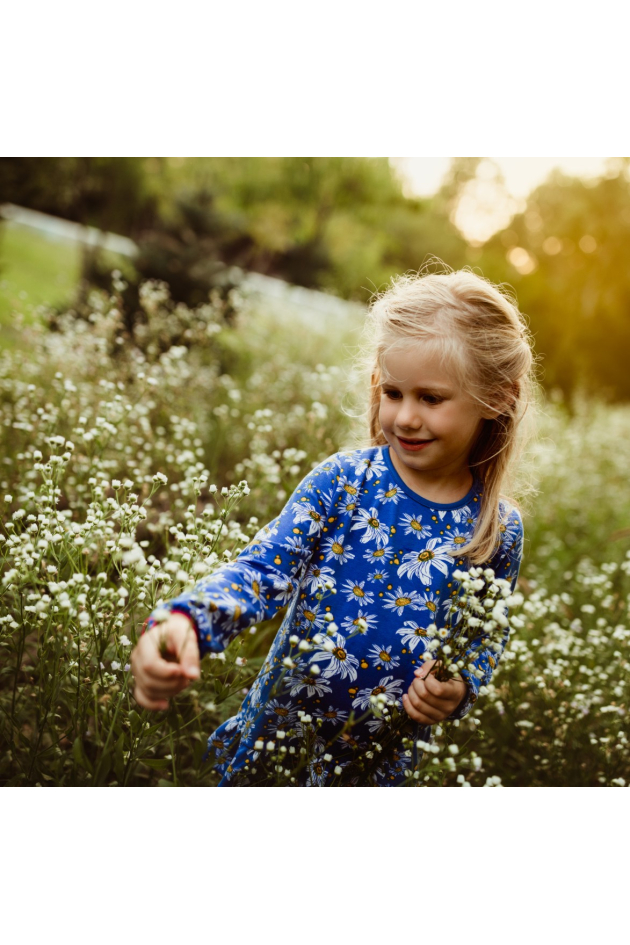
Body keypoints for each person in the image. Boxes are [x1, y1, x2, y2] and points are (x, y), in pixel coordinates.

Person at [131, 267, 536, 786]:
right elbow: (261, 570)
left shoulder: (496, 528)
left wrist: (458, 688)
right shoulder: (343, 482)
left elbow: (482, 637)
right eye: (393, 392)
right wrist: (184, 621)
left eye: (430, 398)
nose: (406, 417)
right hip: (274, 750)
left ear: (497, 398)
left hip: (376, 770)